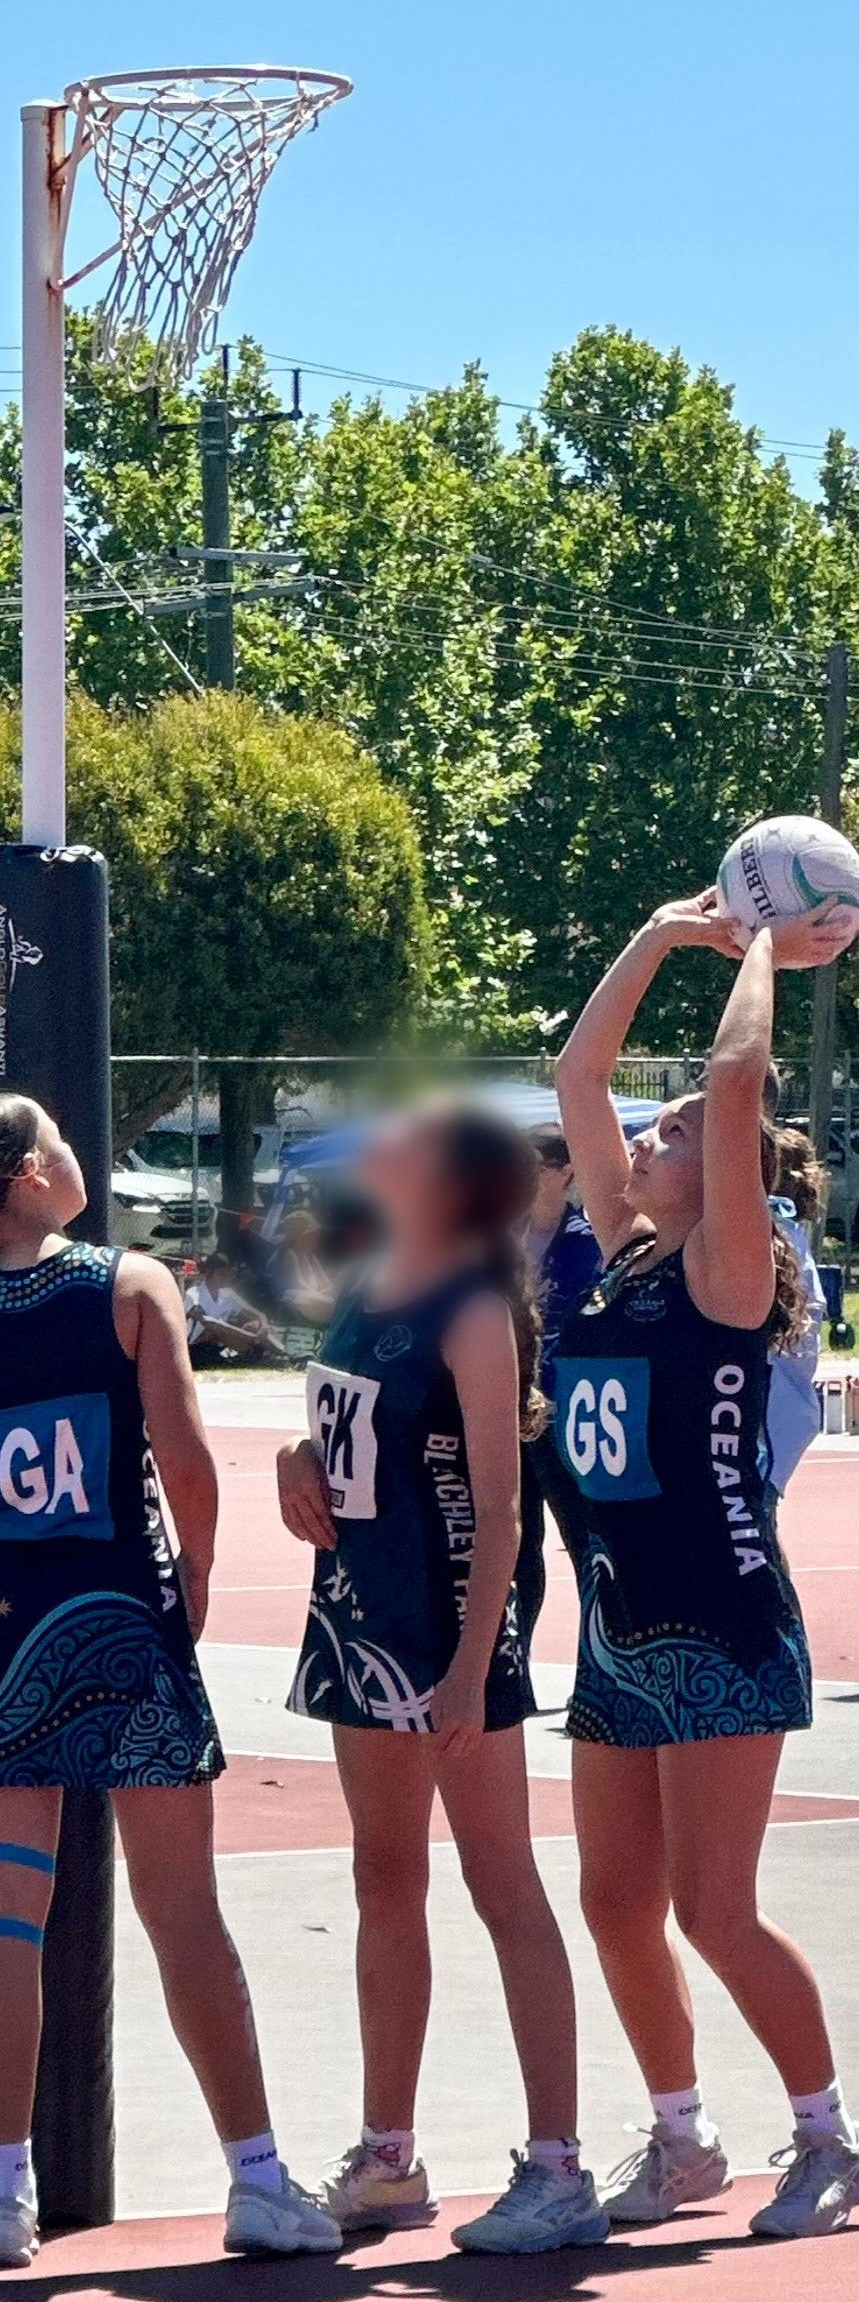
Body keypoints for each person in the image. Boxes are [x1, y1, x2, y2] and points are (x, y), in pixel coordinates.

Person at [0, 1090, 336, 2269]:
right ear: (31, 1175)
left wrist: (17, 1502)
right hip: (116, 1615)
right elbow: (186, 1465)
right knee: (180, 1905)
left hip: (0, 1627)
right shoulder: (122, 1282)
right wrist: (188, 1575)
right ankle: (255, 2176)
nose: (72, 1152)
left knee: (2, 1903)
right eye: (54, 1140)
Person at [554, 889, 859, 2238]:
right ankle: (680, 2141)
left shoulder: (725, 1272)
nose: (646, 1131)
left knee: (711, 1907)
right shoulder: (622, 1258)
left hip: (722, 1618)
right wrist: (658, 936)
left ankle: (827, 2138)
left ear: (723, 1173)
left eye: (669, 1134)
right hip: (620, 1622)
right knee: (616, 1900)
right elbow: (578, 1074)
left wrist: (755, 943)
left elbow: (733, 1079)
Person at [276, 1100, 605, 2256]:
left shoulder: (470, 1310)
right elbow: (344, 1429)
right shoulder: (370, 1283)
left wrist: (472, 1666)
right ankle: (387, 2158)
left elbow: (504, 1503)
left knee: (500, 1880)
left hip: (448, 1625)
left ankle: (557, 2165)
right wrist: (291, 1461)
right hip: (354, 1616)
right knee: (381, 1876)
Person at [512, 1125, 605, 1652]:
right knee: (516, 1545)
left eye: (536, 1166)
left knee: (585, 1541)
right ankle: (511, 1663)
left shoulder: (591, 1240)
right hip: (505, 1413)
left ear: (566, 1172)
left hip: (567, 1415)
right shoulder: (498, 1238)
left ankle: (603, 1659)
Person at [764, 1126, 827, 1490]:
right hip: (785, 1410)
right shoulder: (793, 1235)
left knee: (748, 1532)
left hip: (768, 1410)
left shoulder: (776, 1236)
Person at [184, 1252, 276, 1365]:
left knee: (254, 1325)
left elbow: (256, 1314)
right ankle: (252, 1354)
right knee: (216, 1329)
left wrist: (264, 1326)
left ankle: (280, 1354)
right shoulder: (193, 1294)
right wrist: (249, 1337)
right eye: (222, 1274)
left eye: (228, 1273)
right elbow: (209, 1322)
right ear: (209, 1272)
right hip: (196, 1347)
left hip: (221, 1344)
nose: (226, 1277)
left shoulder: (228, 1294)